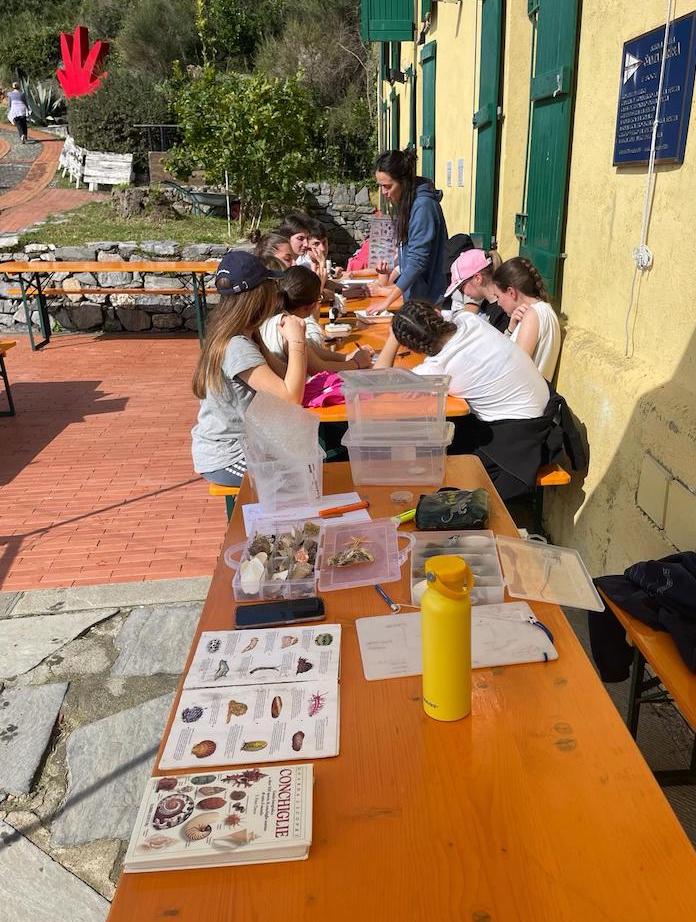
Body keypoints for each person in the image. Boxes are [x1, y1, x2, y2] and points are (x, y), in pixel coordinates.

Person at [375, 300, 554, 500]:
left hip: (519, 441)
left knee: (435, 456)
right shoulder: (469, 320)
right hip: (546, 416)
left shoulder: (436, 369)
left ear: (413, 348)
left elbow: (378, 382)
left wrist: (393, 338)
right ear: (436, 314)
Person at [191, 252, 307, 487]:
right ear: (259, 296)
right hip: (228, 455)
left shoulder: (244, 335)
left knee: (311, 464)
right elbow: (291, 397)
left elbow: (285, 378)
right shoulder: (236, 347)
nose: (277, 295)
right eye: (272, 287)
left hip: (248, 444)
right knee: (299, 480)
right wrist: (297, 342)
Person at [368, 148, 448, 312]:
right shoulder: (411, 203)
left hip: (428, 302)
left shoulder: (423, 207)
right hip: (417, 299)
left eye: (388, 186)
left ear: (403, 182)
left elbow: (417, 260)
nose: (384, 193)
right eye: (381, 186)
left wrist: (387, 302)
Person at [260, 266, 372, 373]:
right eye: (320, 297)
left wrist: (346, 357)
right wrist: (356, 363)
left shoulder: (271, 316)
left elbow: (310, 350)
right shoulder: (289, 325)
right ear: (310, 306)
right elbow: (318, 368)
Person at [492, 257, 561, 380]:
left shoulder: (532, 315)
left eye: (498, 296)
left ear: (511, 292)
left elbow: (515, 370)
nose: (498, 303)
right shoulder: (542, 311)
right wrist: (510, 329)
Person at [444, 248, 508, 332]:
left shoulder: (504, 309)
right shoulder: (487, 305)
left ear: (478, 278)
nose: (463, 294)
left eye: (461, 288)